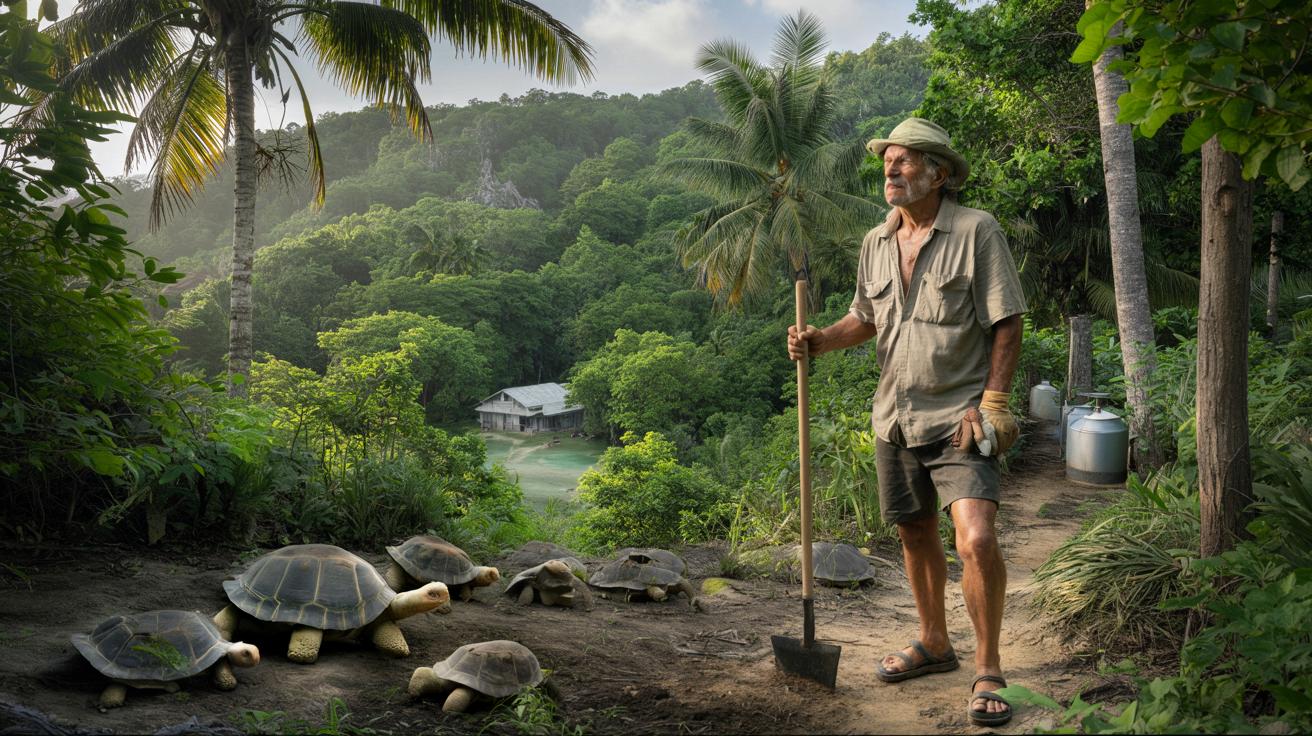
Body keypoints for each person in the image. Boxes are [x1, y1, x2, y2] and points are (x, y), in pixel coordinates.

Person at [786, 117, 1026, 727]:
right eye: (887, 162)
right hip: (894, 415)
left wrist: (994, 401)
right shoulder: (876, 241)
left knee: (976, 539)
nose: (891, 170)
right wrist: (819, 340)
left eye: (905, 162)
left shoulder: (977, 231)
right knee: (914, 533)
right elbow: (865, 318)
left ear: (939, 173)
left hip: (962, 417)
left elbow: (1006, 322)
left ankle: (989, 665)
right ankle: (935, 643)